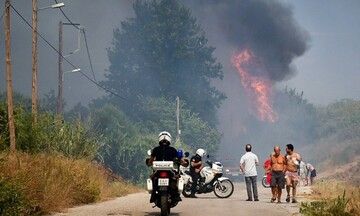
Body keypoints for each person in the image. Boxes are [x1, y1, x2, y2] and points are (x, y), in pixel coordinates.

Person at [147, 131, 185, 202]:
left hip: (158, 171)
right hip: (170, 171)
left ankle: (153, 196)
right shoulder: (173, 150)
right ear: (169, 139)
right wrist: (184, 162)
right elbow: (181, 160)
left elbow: (150, 161)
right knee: (177, 178)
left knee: (152, 178)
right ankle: (176, 195)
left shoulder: (155, 149)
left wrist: (149, 163)